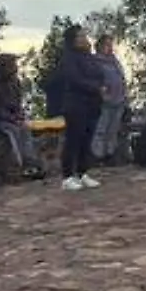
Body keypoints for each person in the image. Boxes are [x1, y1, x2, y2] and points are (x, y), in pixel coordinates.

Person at [0, 53, 47, 179]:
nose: (16, 68)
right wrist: (10, 118)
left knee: (24, 129)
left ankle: (31, 163)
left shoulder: (14, 81)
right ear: (4, 67)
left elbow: (17, 103)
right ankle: (22, 166)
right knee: (13, 131)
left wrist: (19, 115)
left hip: (11, 117)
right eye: (13, 65)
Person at [57, 26, 106, 190]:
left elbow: (100, 74)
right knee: (73, 140)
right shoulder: (69, 58)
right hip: (76, 105)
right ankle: (67, 177)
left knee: (87, 140)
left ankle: (82, 173)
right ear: (74, 39)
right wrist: (95, 87)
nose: (85, 38)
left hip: (92, 104)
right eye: (81, 36)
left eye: (85, 35)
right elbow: (75, 79)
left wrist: (100, 86)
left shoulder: (89, 57)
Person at [92, 34, 129, 163]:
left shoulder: (114, 61)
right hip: (104, 101)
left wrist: (125, 95)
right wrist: (102, 93)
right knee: (101, 129)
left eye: (111, 45)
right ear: (100, 46)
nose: (110, 48)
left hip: (119, 99)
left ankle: (110, 154)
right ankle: (97, 155)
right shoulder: (95, 62)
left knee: (113, 130)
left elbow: (121, 78)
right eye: (107, 45)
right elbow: (94, 80)